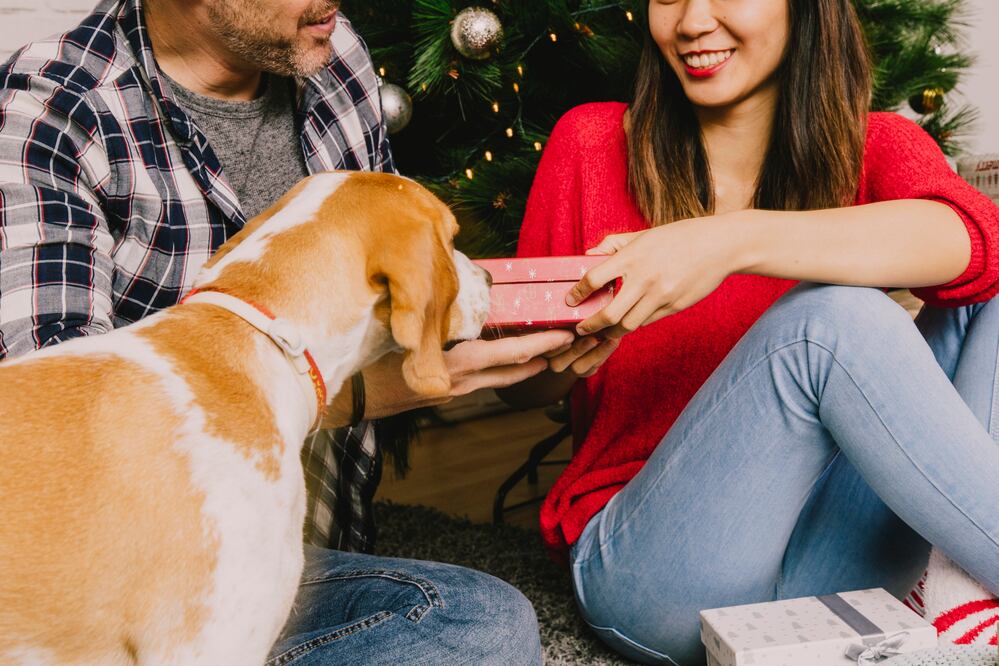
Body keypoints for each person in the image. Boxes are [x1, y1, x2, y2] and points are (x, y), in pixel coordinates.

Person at [0, 0, 566, 663]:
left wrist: (451, 322)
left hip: (288, 534)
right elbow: (53, 426)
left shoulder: (320, 41)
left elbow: (379, 278)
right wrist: (344, 393)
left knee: (477, 623)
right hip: (111, 560)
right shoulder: (50, 106)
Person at [499, 1, 999, 664]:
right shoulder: (591, 142)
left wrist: (727, 241)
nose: (691, 21)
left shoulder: (875, 144)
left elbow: (974, 245)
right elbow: (523, 388)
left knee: (982, 293)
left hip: (834, 557)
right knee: (829, 324)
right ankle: (967, 602)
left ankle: (951, 593)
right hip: (659, 568)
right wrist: (565, 352)